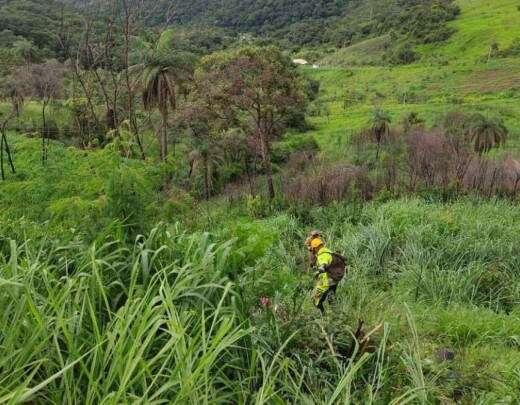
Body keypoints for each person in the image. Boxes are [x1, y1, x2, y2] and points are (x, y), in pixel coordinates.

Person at [306, 234, 346, 314]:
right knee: (331, 298)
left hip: (327, 281)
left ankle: (321, 316)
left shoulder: (322, 255)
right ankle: (338, 316)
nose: (312, 250)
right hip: (334, 279)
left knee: (314, 298)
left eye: (313, 249)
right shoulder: (328, 252)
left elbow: (323, 263)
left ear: (316, 247)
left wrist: (321, 269)